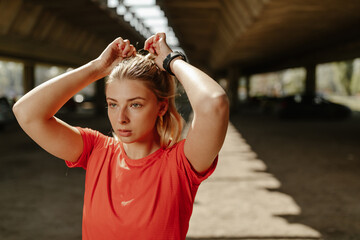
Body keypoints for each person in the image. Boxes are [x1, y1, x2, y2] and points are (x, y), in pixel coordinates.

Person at [13, 33, 229, 239]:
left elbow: (214, 103)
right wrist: (97, 67)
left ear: (161, 107)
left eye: (135, 104)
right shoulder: (96, 150)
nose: (121, 118)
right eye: (113, 104)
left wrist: (172, 61)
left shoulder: (181, 166)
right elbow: (26, 113)